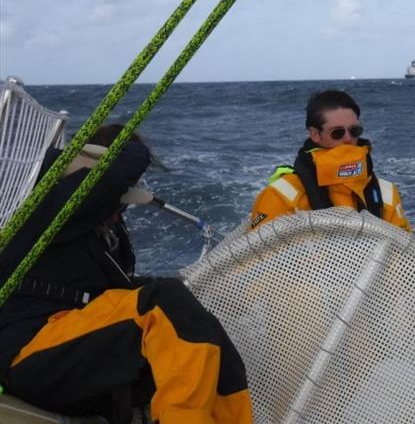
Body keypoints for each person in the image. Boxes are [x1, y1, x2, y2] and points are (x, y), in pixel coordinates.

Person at [0, 125, 253, 424]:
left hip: (71, 351)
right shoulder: (45, 207)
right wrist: (122, 152)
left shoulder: (99, 233)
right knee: (165, 302)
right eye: (118, 198)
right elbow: (118, 172)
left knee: (206, 332)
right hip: (30, 353)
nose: (122, 209)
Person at [250, 89, 411, 232]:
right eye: (337, 133)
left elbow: (404, 251)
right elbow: (257, 256)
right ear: (315, 134)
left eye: (355, 130)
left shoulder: (386, 192)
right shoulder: (280, 195)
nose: (348, 139)